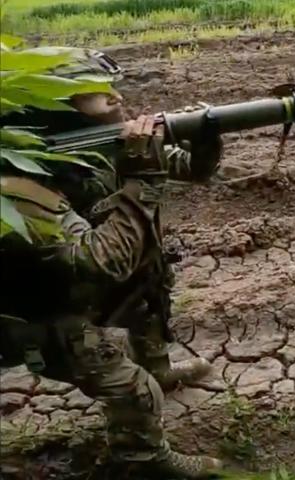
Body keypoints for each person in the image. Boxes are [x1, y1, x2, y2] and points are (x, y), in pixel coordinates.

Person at [0, 48, 224, 477]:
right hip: (37, 311)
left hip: (78, 279)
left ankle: (157, 368)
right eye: (94, 92)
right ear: (58, 109)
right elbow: (101, 263)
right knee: (130, 385)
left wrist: (203, 149)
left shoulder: (89, 145)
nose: (115, 97)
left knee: (148, 285)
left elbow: (185, 168)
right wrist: (143, 181)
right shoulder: (21, 184)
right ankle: (143, 459)